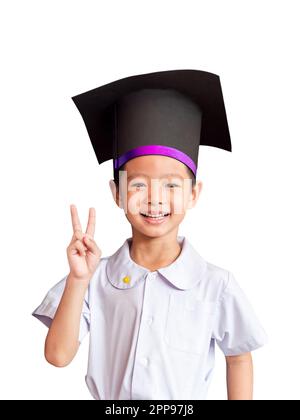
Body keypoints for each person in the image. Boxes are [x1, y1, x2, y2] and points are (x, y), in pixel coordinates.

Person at [32, 69, 268, 400]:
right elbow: (58, 356)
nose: (155, 198)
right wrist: (77, 280)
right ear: (116, 193)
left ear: (193, 194)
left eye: (171, 185)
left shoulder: (215, 285)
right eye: (138, 184)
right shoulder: (94, 278)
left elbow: (239, 357)